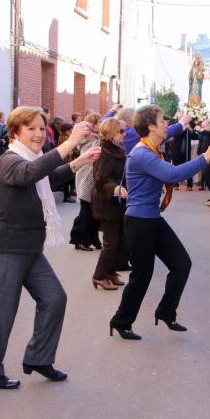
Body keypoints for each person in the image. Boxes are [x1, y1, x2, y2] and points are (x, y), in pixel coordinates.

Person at [0, 109, 100, 389]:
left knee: (54, 298)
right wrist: (69, 145)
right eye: (30, 128)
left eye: (42, 129)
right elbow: (29, 174)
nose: (38, 134)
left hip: (29, 249)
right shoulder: (10, 160)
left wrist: (78, 161)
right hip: (5, 249)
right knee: (2, 312)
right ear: (15, 132)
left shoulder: (30, 161)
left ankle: (39, 358)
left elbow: (45, 178)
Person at [108, 105, 210, 340]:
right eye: (163, 121)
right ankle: (121, 321)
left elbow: (171, 134)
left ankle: (165, 311)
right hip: (140, 222)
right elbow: (172, 175)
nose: (166, 124)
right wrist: (206, 157)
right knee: (142, 275)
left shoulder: (150, 147)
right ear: (151, 126)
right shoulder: (142, 153)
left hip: (151, 219)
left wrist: (183, 122)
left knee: (181, 264)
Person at [91, 118, 128, 290]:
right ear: (112, 132)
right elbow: (100, 179)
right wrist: (116, 189)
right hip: (107, 203)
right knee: (110, 243)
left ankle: (110, 272)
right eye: (121, 131)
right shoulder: (104, 151)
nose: (124, 134)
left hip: (118, 202)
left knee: (120, 241)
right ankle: (99, 275)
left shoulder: (117, 149)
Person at [70, 112, 102, 250]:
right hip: (86, 179)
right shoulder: (90, 140)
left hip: (91, 179)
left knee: (94, 212)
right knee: (86, 212)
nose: (102, 124)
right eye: (99, 122)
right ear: (94, 125)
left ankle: (93, 238)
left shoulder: (92, 139)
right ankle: (79, 239)